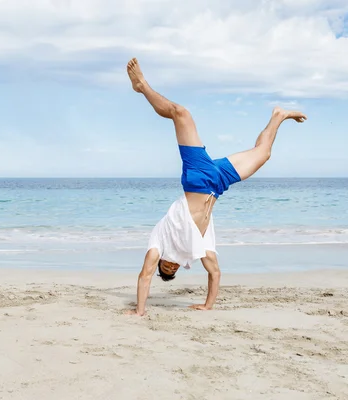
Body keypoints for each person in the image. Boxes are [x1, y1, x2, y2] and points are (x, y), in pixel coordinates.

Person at [124, 58, 307, 316]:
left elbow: (145, 276)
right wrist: (208, 305)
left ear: (161, 261)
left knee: (181, 113)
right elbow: (215, 272)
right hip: (217, 184)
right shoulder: (197, 248)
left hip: (198, 178)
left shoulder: (159, 241)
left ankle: (142, 86)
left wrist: (140, 310)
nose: (171, 266)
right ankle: (279, 115)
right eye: (172, 270)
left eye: (166, 267)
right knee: (263, 154)